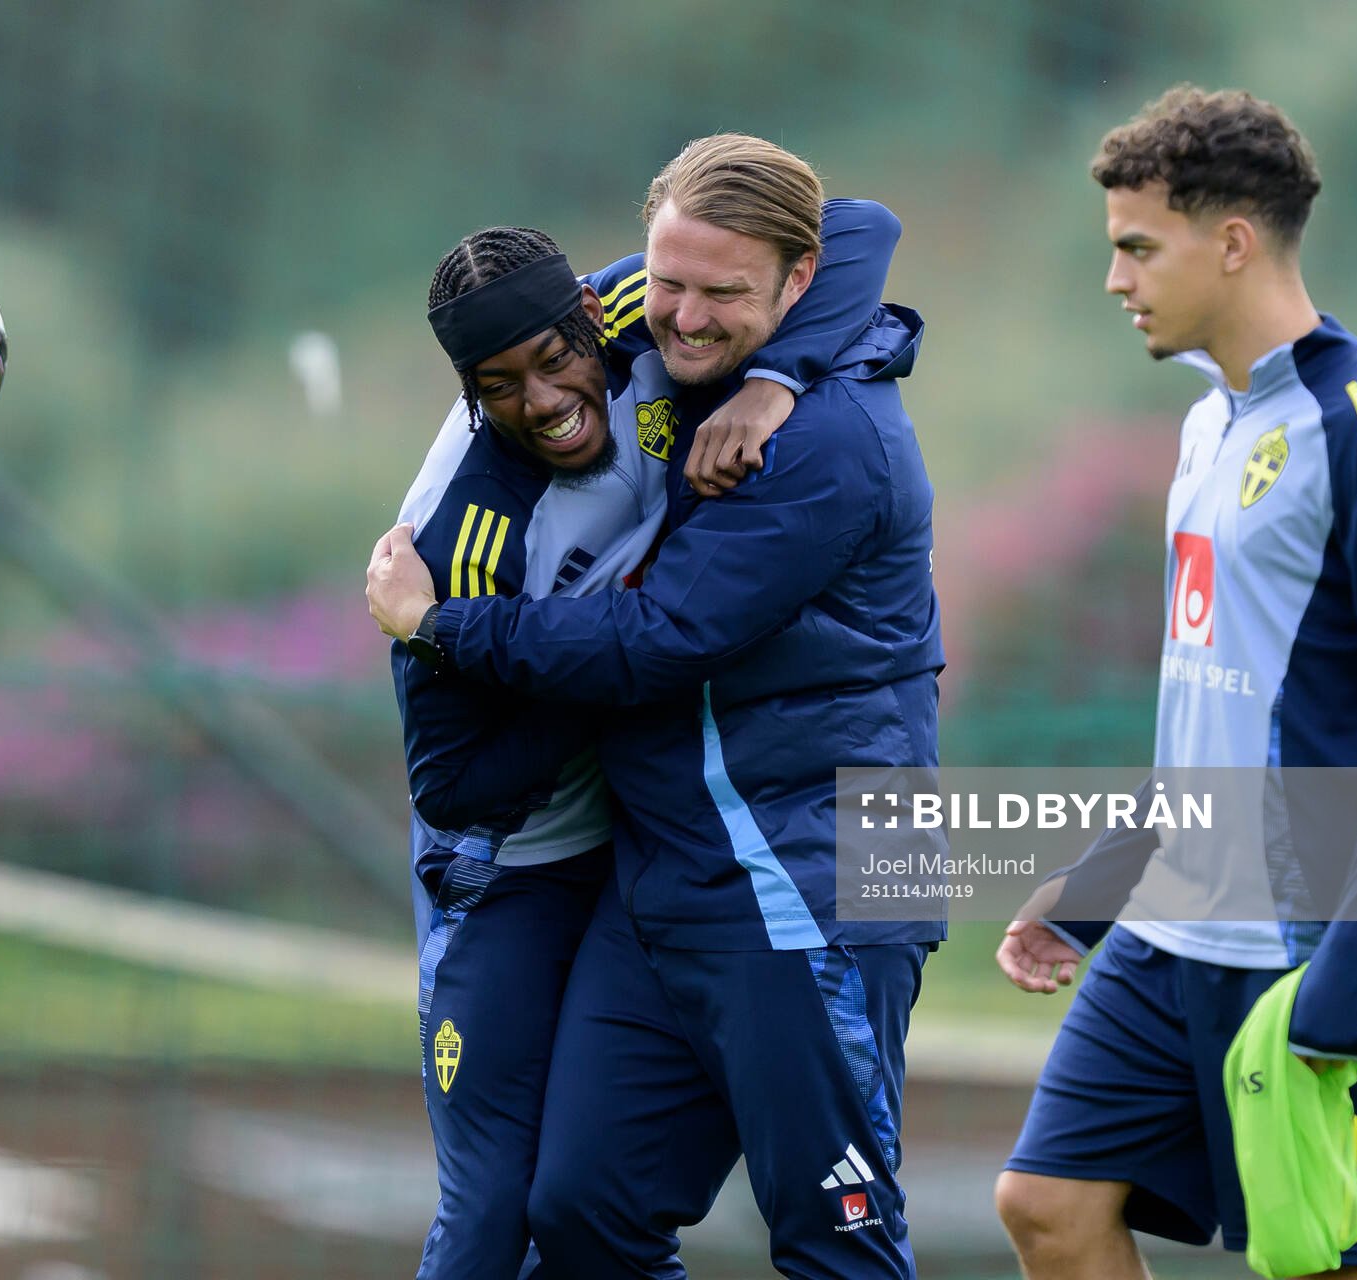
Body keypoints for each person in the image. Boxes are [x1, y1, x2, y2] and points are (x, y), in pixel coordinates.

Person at [370, 133, 943, 1279]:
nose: (680, 316)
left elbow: (658, 642)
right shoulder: (665, 345)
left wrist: (438, 625)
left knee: (838, 1243)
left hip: (819, 882)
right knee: (580, 1210)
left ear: (796, 279)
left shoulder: (827, 441)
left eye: (721, 292)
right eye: (665, 280)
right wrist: (769, 364)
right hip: (675, 878)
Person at [992, 86, 1357, 1280]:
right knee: (1045, 1202)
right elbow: (1211, 707)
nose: (1118, 279)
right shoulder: (1209, 425)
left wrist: (1351, 970)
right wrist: (1096, 886)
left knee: (1328, 1267)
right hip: (1172, 928)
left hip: (1320, 937)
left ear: (1235, 241)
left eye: (1138, 247)